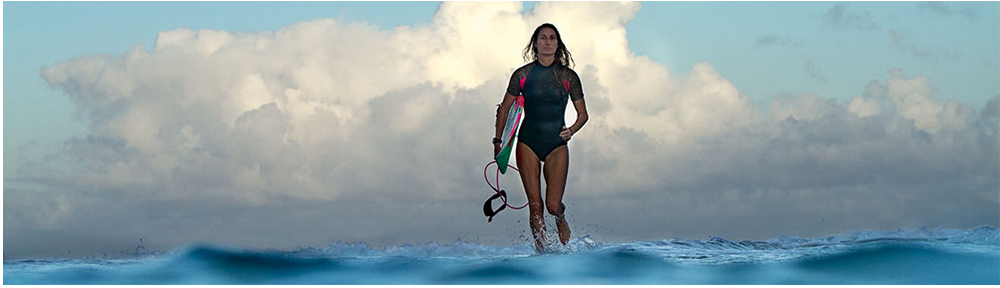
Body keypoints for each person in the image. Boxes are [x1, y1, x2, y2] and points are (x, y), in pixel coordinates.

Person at [493, 23, 588, 252]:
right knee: (536, 205)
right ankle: (542, 252)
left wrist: (571, 130)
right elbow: (504, 109)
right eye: (543, 38)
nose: (547, 42)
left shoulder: (568, 77)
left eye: (552, 38)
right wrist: (498, 142)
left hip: (557, 144)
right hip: (528, 142)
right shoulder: (522, 75)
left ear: (558, 44)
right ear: (535, 43)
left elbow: (583, 114)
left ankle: (560, 216)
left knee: (552, 205)